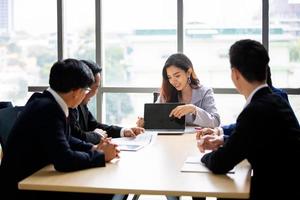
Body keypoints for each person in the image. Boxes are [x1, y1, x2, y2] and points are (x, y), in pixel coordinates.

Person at [0, 59, 119, 200]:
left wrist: (93, 148)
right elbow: (64, 161)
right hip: (25, 188)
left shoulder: (47, 102)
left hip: (36, 178)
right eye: (86, 90)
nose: (86, 95)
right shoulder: (49, 110)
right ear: (76, 92)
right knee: (104, 193)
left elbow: (65, 139)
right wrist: (101, 156)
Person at [198, 39, 300, 199]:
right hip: (290, 186)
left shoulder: (255, 110)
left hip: (276, 191)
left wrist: (202, 158)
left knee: (225, 193)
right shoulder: (277, 100)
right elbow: (260, 139)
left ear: (235, 74)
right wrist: (223, 140)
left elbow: (221, 163)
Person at [197, 66, 290, 152]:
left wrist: (221, 140)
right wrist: (219, 131)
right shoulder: (268, 96)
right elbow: (249, 126)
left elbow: (256, 137)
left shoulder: (272, 100)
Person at [69, 60, 144, 145]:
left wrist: (123, 131)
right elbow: (76, 137)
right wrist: (97, 137)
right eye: (96, 87)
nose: (95, 92)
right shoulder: (67, 107)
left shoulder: (81, 104)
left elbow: (93, 125)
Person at [137, 53, 220, 128]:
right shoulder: (167, 92)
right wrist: (144, 121)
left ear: (188, 72)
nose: (173, 81)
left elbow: (215, 122)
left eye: (177, 76)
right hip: (170, 141)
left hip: (196, 140)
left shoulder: (205, 92)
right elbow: (154, 118)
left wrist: (193, 109)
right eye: (169, 77)